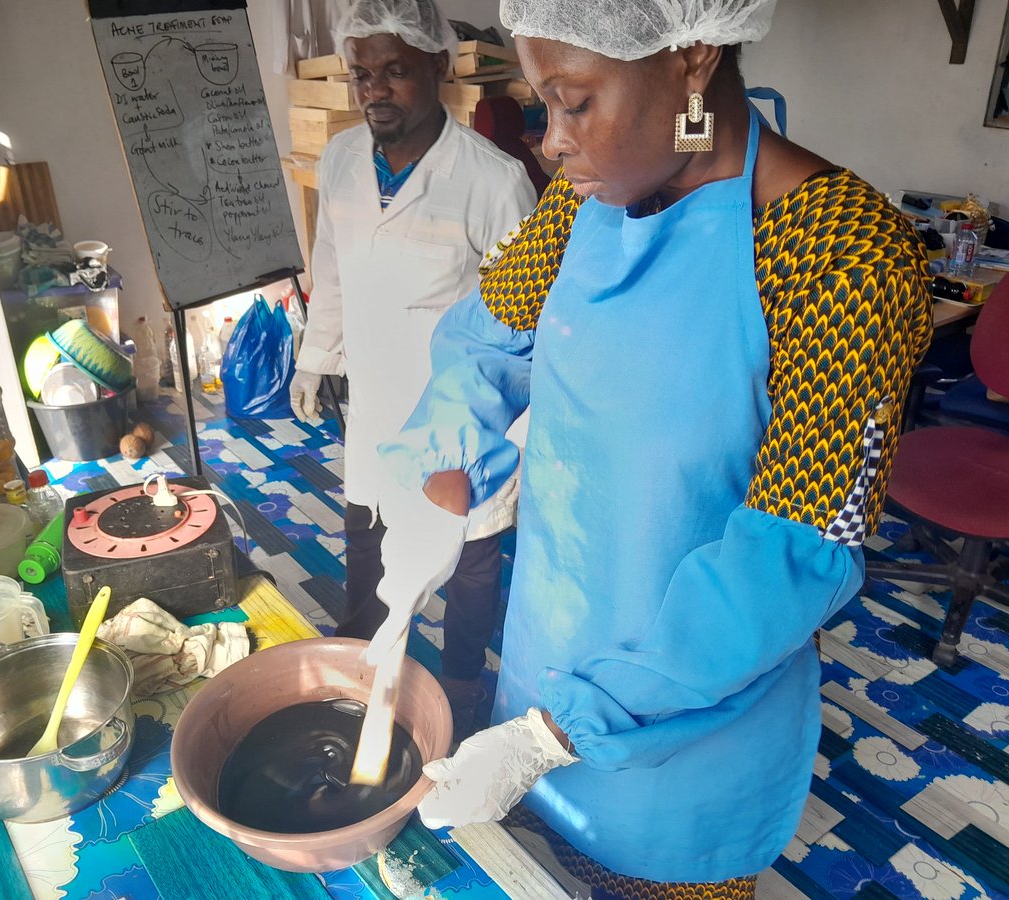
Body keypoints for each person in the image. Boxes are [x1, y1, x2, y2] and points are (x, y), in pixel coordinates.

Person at [368, 0, 935, 895]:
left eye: (575, 101)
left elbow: (791, 560)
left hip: (691, 712)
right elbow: (484, 341)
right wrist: (442, 475)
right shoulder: (584, 198)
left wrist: (557, 736)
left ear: (694, 56)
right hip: (551, 649)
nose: (551, 142)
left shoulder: (842, 256)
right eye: (539, 106)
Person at [288, 0, 535, 734]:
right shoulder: (340, 159)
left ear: (440, 64)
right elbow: (330, 267)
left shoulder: (494, 183)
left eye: (395, 71)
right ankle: (361, 663)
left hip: (460, 413)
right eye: (361, 74)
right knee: (366, 533)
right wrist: (319, 356)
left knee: (470, 556)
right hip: (373, 390)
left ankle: (458, 685)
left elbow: (520, 323)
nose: (374, 91)